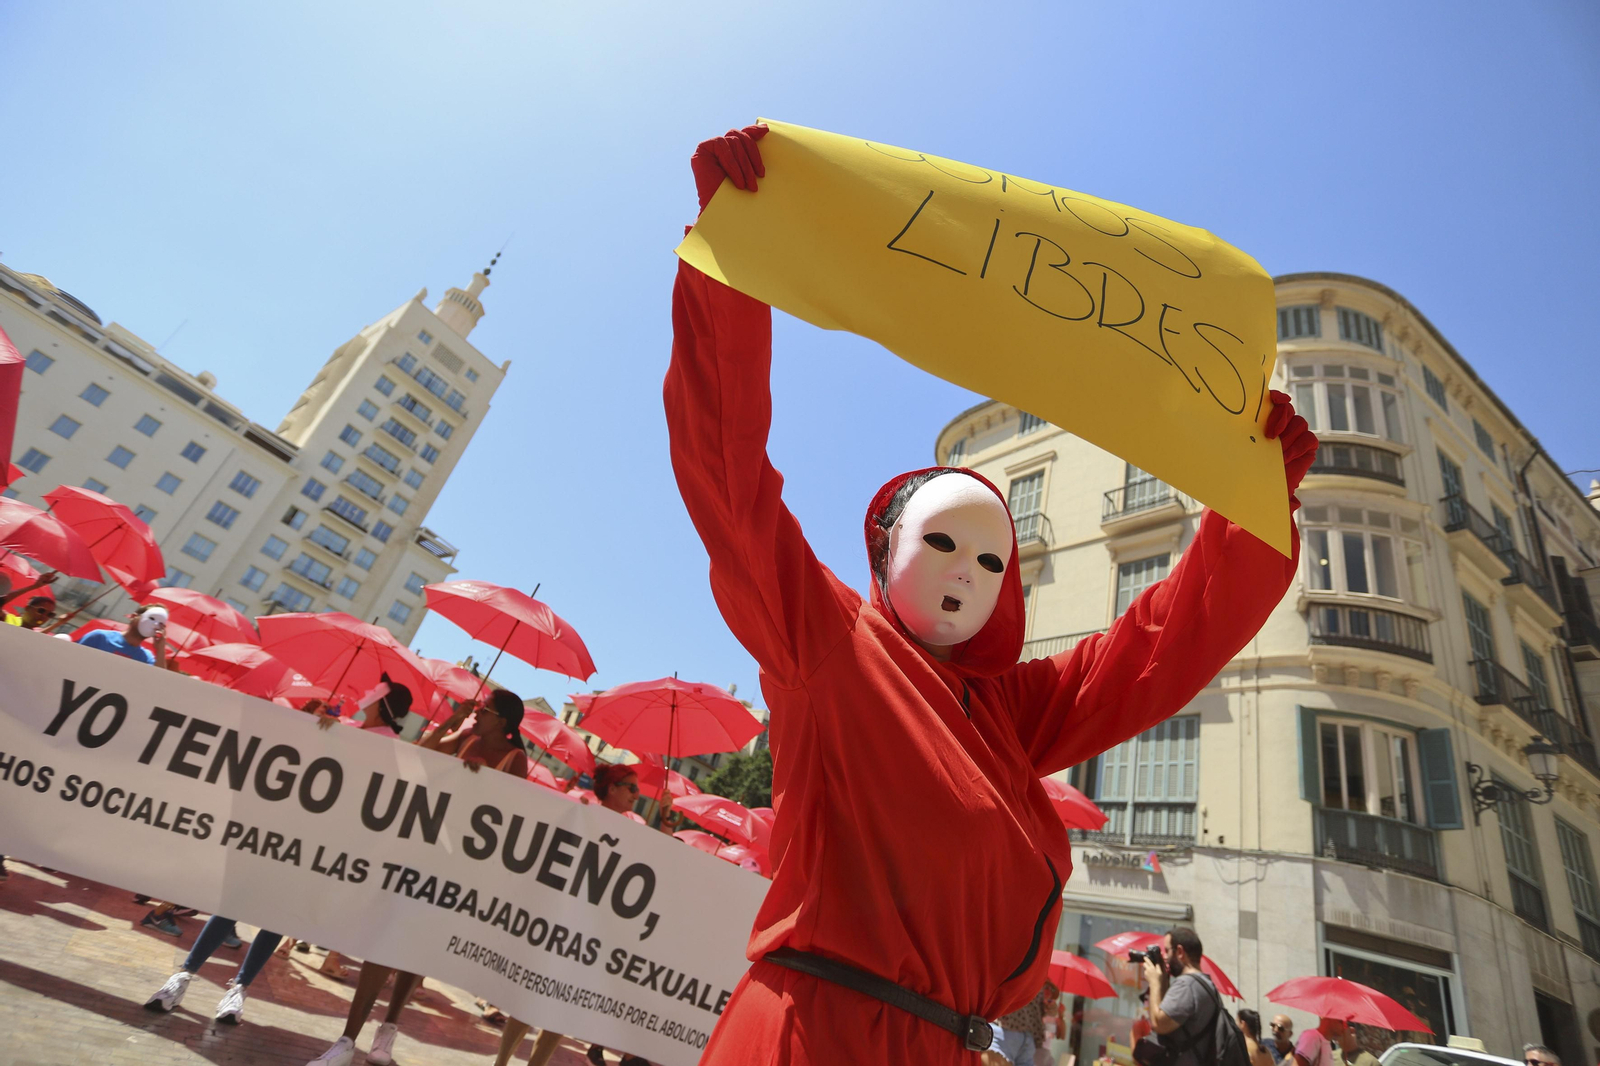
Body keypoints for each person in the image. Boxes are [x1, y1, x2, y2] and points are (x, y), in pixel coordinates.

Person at [667, 125, 1314, 1063]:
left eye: (993, 560)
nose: (968, 571)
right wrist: (731, 265)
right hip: (815, 1035)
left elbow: (1157, 647)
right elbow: (728, 477)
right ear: (887, 551)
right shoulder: (824, 641)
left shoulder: (1016, 712)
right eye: (942, 541)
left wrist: (1251, 501)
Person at [306, 688, 530, 1066]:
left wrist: (483, 785)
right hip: (422, 848)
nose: (478, 712)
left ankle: (387, 1033)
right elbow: (422, 753)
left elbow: (513, 814)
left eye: (484, 709)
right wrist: (453, 722)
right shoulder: (468, 736)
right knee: (382, 940)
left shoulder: (516, 759)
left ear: (502, 721)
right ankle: (346, 1040)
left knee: (418, 949)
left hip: (460, 867)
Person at [494, 762, 660, 1066]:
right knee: (528, 998)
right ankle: (501, 1062)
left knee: (563, 1008)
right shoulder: (581, 813)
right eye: (632, 788)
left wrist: (667, 824)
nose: (637, 796)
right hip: (555, 921)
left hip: (590, 933)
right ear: (612, 788)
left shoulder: (632, 832)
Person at [1144, 927, 1220, 1066]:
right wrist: (1164, 981)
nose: (1165, 957)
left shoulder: (1187, 985)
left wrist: (1154, 982)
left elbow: (1159, 1024)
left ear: (1179, 951)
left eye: (1167, 951)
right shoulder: (1207, 984)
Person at [77, 603, 168, 668]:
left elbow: (157, 681)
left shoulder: (146, 657)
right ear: (133, 616)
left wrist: (160, 650)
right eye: (151, 618)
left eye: (160, 624)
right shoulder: (100, 637)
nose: (155, 624)